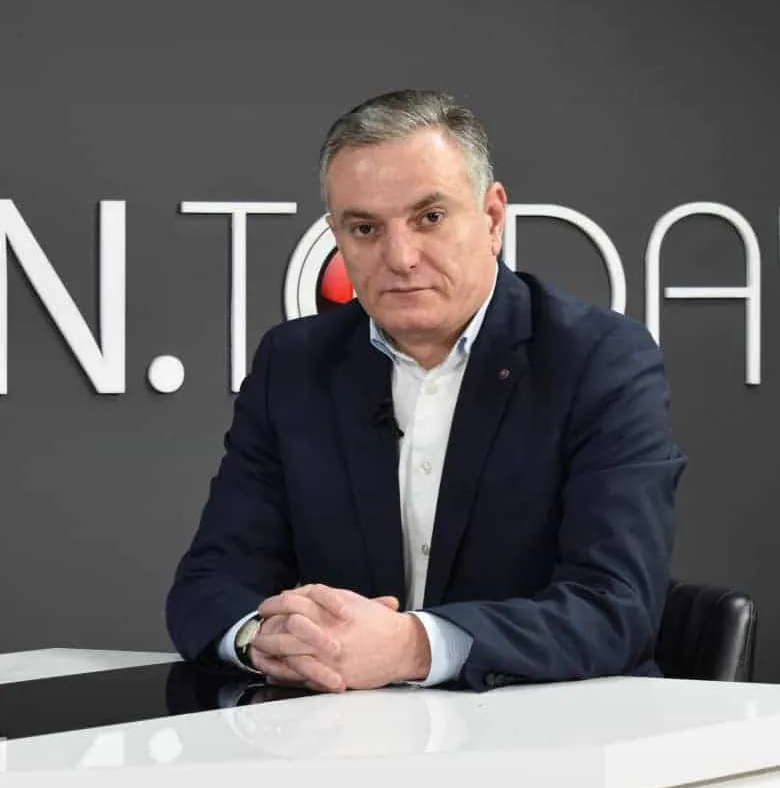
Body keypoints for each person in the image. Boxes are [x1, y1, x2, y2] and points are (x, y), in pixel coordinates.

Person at [166, 89, 686, 693]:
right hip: (342, 733)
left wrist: (412, 646)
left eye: (430, 217)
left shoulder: (599, 359)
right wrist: (265, 637)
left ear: (492, 218)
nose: (401, 257)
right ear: (337, 236)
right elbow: (209, 584)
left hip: (550, 730)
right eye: (365, 228)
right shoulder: (295, 364)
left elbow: (615, 608)